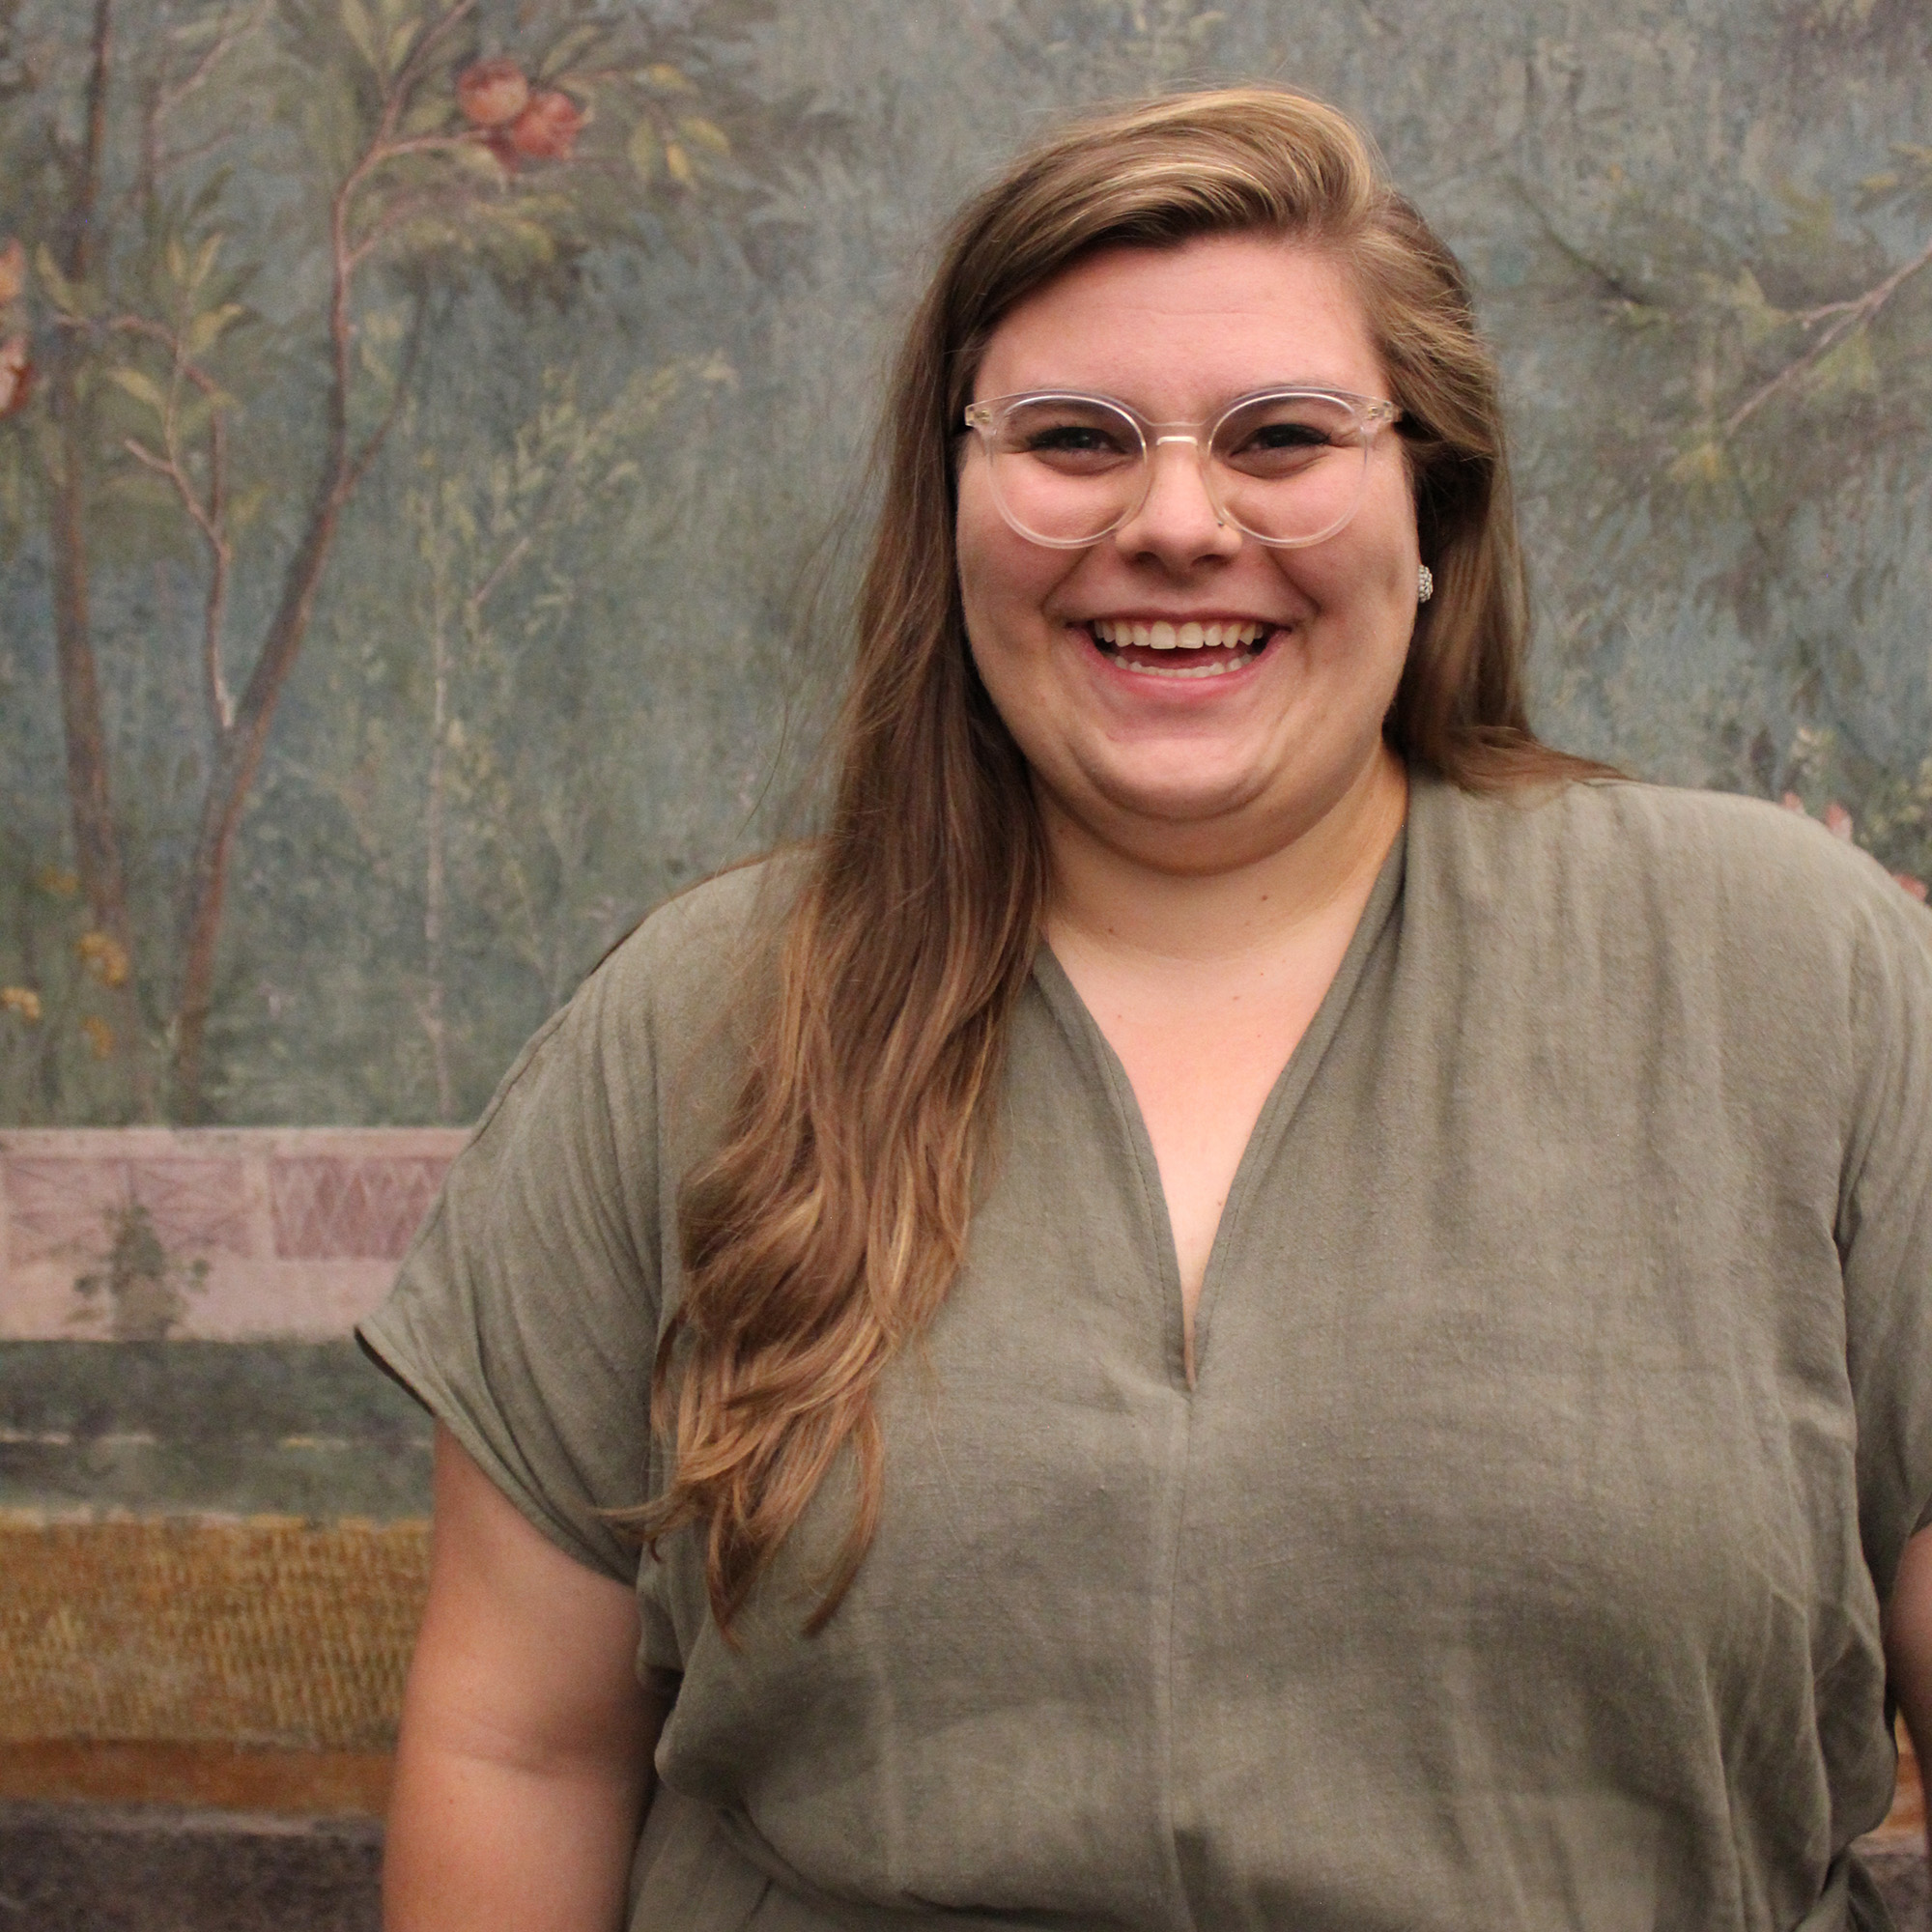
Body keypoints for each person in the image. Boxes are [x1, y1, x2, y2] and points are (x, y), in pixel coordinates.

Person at [359, 84, 1932, 1932]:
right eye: (1073, 439)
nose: (1176, 522)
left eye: (1280, 437)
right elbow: (521, 1752)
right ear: (950, 507)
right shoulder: (693, 1029)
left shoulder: (1793, 974)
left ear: (1433, 505)